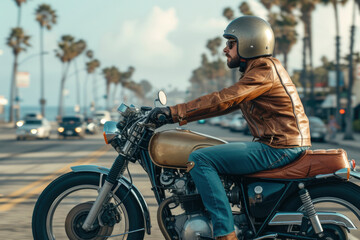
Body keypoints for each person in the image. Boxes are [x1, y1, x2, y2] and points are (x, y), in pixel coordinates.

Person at [149, 16, 311, 240]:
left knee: (201, 159)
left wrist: (174, 113)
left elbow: (224, 99)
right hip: (280, 145)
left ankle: (225, 234)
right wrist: (176, 114)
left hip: (279, 147)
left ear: (249, 43)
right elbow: (225, 104)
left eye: (231, 43)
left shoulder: (264, 69)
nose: (225, 49)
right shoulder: (260, 70)